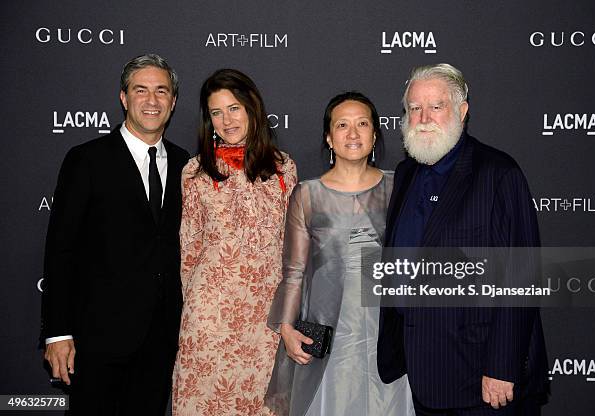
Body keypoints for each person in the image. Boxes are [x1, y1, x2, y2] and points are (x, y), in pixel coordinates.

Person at [377, 63, 549, 415]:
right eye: (414, 108)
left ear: (462, 111)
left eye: (436, 107)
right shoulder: (408, 172)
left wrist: (501, 367)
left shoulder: (498, 173)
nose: (423, 117)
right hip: (423, 369)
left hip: (481, 376)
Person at [40, 54, 190, 415]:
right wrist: (58, 333)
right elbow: (61, 250)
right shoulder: (87, 160)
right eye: (141, 90)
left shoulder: (187, 163)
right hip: (97, 339)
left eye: (161, 91)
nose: (151, 101)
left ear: (173, 102)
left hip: (162, 338)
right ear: (123, 98)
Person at [265, 92, 414, 416]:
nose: (353, 133)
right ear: (329, 138)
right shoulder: (307, 194)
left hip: (385, 330)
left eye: (362, 124)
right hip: (328, 332)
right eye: (342, 125)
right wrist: (287, 329)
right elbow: (294, 270)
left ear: (375, 135)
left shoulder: (399, 187)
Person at [172, 68, 297, 415]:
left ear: (252, 109)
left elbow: (292, 247)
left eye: (234, 108)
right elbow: (189, 247)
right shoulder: (195, 172)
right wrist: (193, 308)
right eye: (216, 112)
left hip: (266, 317)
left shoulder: (284, 169)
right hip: (210, 316)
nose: (226, 120)